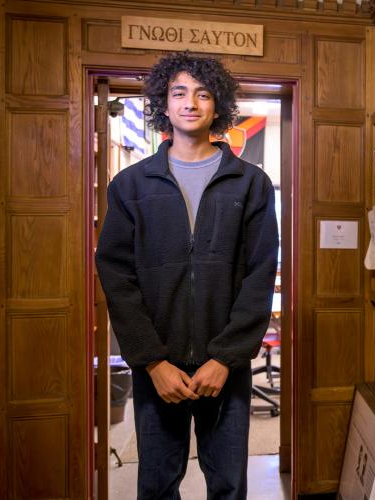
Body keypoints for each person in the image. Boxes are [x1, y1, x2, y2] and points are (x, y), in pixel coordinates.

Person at [96, 52, 279, 499]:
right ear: (164, 101)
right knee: (157, 485)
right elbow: (117, 277)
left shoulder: (250, 183)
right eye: (179, 92)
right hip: (159, 366)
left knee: (229, 486)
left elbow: (260, 274)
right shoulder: (131, 185)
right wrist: (153, 362)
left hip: (226, 367)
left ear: (218, 105)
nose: (190, 102)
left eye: (203, 93)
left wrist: (227, 358)